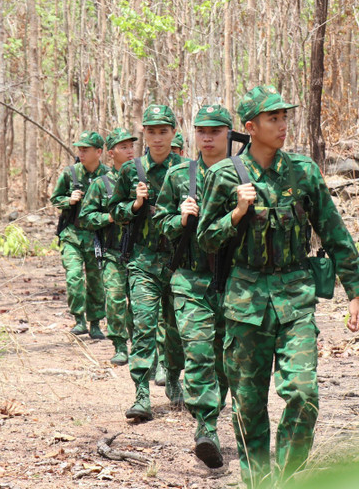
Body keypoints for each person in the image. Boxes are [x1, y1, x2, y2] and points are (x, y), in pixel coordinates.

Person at [197, 86, 359, 487]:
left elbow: (334, 231)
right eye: (274, 119)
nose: (283, 125)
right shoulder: (224, 176)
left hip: (295, 297)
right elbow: (205, 239)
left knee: (303, 394)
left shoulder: (303, 171)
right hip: (245, 302)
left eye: (285, 117)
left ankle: (288, 478)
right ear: (251, 128)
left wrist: (354, 292)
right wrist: (236, 213)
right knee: (248, 404)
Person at [154, 105, 232, 469]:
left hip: (234, 281)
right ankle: (206, 428)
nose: (207, 136)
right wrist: (178, 217)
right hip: (190, 279)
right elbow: (157, 223)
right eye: (201, 130)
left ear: (229, 134)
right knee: (199, 353)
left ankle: (213, 412)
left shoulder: (245, 174)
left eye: (215, 130)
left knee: (224, 360)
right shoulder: (177, 175)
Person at [108, 105, 186, 421]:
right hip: (142, 261)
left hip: (178, 262)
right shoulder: (131, 171)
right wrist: (135, 204)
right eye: (151, 131)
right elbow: (115, 212)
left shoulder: (187, 169)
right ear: (144, 134)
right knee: (143, 325)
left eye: (163, 131)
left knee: (176, 328)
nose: (157, 138)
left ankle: (175, 381)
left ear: (173, 133)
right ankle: (141, 394)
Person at [79, 127, 138, 365]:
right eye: (123, 147)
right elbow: (85, 217)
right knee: (114, 299)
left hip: (140, 253)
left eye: (131, 146)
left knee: (139, 303)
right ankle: (120, 345)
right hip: (113, 252)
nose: (130, 151)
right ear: (111, 153)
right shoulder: (101, 184)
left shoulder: (142, 178)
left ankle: (140, 346)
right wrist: (109, 219)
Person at [49, 131, 107, 339]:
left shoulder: (108, 176)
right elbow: (55, 199)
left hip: (97, 237)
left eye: (86, 149)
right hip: (72, 235)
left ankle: (96, 323)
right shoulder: (70, 173)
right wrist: (69, 200)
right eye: (79, 150)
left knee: (96, 281)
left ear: (98, 152)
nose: (81, 153)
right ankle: (79, 320)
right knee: (74, 276)